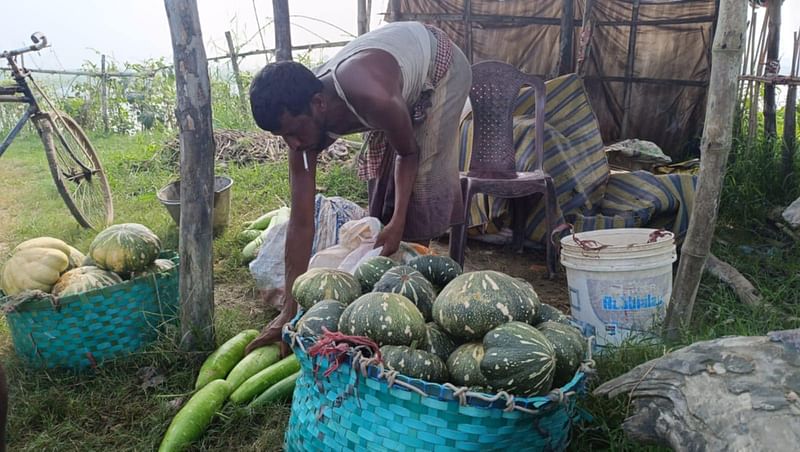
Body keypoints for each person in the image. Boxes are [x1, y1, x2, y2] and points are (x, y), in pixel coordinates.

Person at [245, 21, 471, 354]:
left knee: (419, 190)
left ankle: (414, 301)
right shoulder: (303, 120)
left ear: (319, 105)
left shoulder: (371, 96)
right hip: (392, 79)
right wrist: (289, 311)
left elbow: (408, 153)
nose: (292, 143)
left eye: (294, 132)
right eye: (283, 137)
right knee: (381, 199)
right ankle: (387, 286)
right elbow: (301, 220)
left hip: (441, 66)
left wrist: (398, 224)